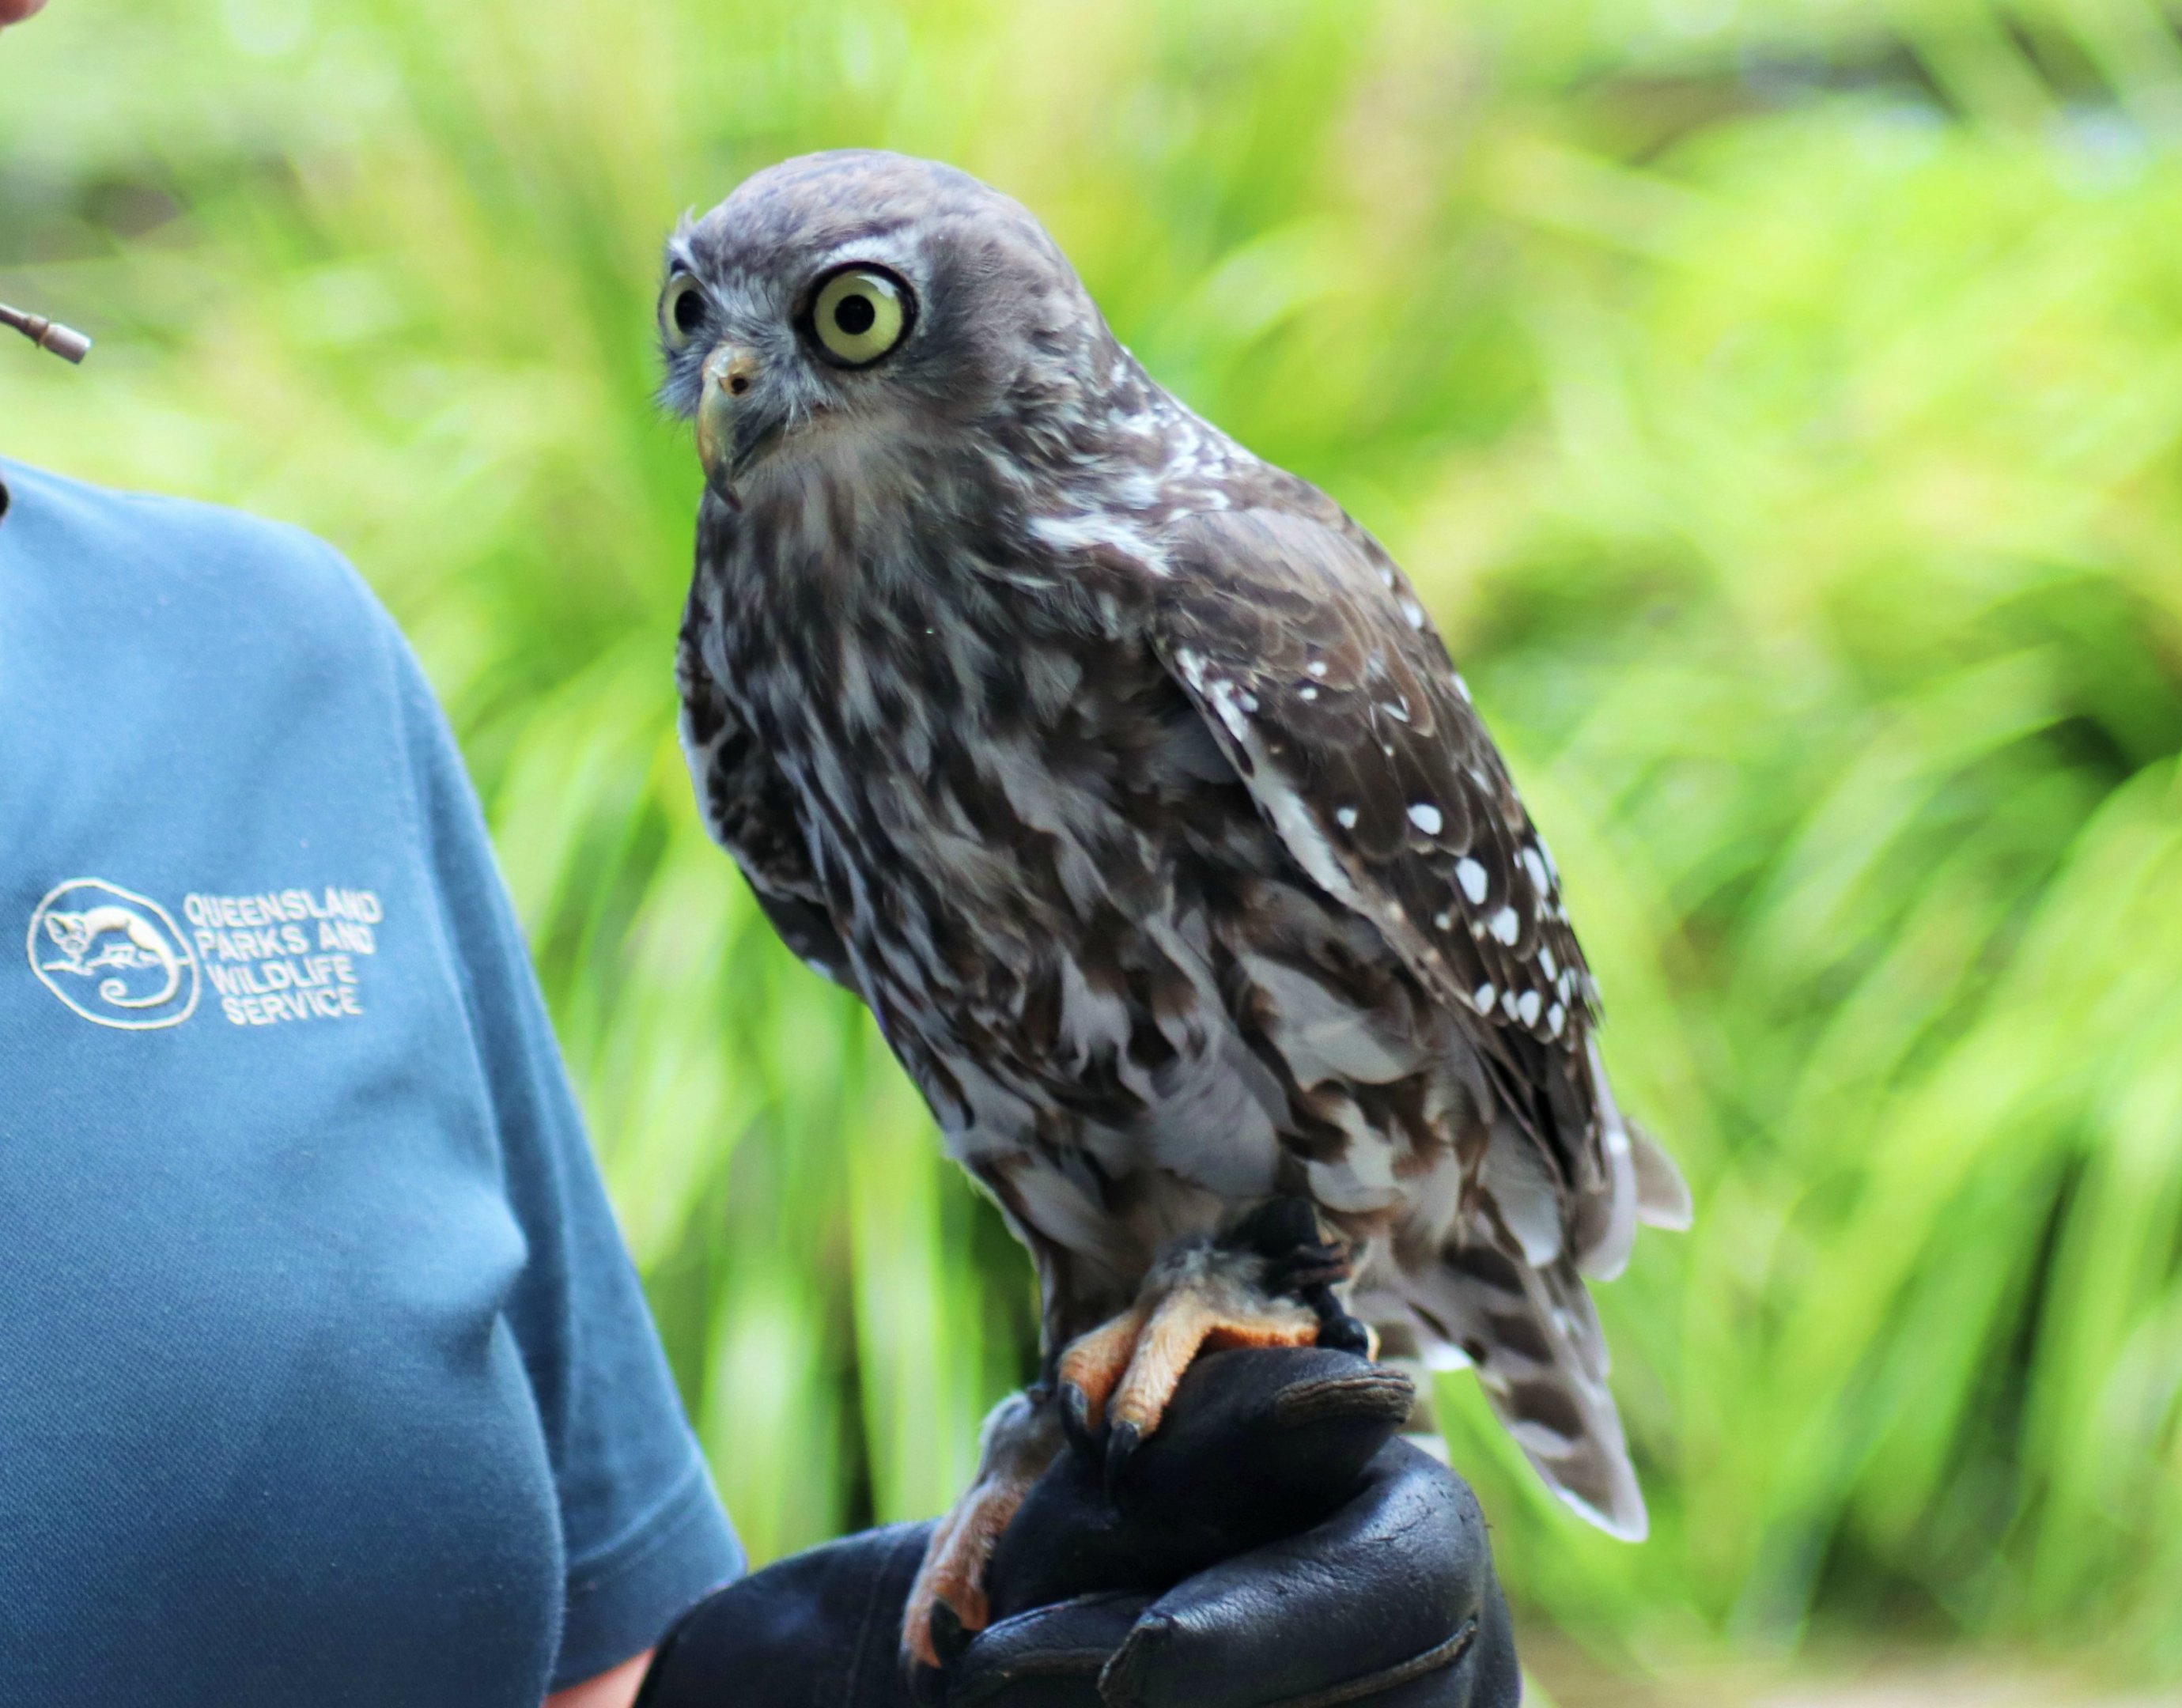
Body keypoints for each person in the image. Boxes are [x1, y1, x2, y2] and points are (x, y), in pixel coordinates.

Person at [0, 5, 1522, 1705]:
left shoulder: (272, 658)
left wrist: (827, 1682)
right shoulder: (756, 639)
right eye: (696, 330)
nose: (730, 383)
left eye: (844, 320)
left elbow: (591, 1662)